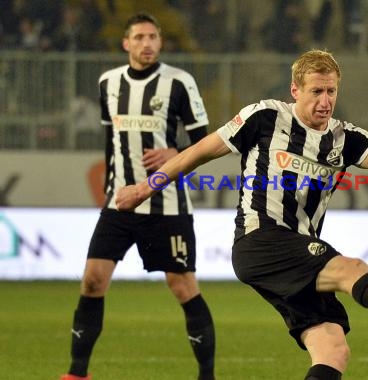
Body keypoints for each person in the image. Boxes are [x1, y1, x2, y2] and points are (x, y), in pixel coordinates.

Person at [116, 49, 368, 380]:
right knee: (350, 268)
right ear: (295, 90)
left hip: (296, 251)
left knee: (332, 347)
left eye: (331, 91)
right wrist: (145, 187)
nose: (325, 101)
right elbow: (196, 152)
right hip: (260, 241)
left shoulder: (344, 138)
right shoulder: (264, 117)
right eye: (317, 91)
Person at [61, 13, 215, 380]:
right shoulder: (108, 83)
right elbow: (111, 141)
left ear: (160, 43)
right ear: (126, 43)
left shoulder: (179, 82)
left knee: (182, 286)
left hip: (168, 204)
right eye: (139, 37)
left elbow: (206, 142)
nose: (147, 43)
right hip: (119, 203)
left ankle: (207, 376)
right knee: (93, 280)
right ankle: (77, 373)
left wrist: (173, 154)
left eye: (153, 37)